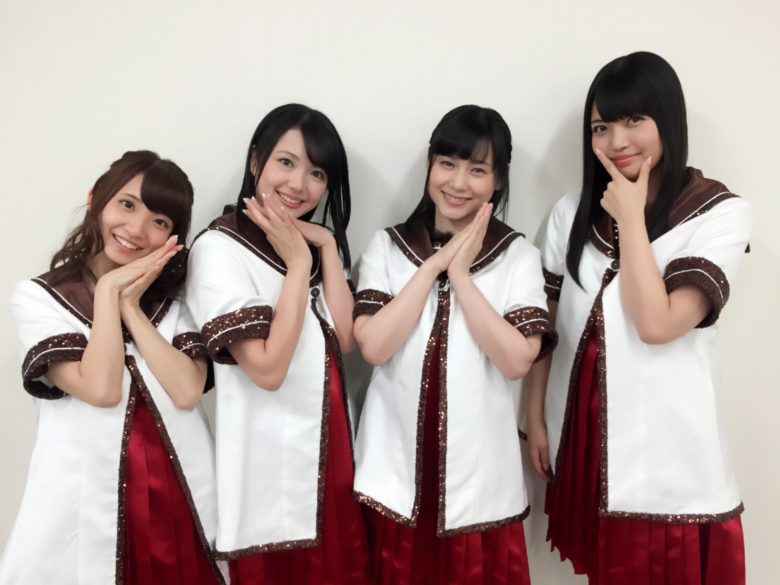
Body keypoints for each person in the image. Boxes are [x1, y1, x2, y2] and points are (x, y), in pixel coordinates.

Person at [526, 51, 750, 584]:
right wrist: (534, 418)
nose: (617, 141)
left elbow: (658, 325)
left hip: (669, 449)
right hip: (583, 438)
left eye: (634, 120)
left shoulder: (719, 212)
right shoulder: (570, 212)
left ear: (667, 121)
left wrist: (630, 216)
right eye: (601, 127)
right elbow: (547, 326)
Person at [352, 104, 556, 584]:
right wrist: (432, 267)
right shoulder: (387, 247)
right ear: (430, 164)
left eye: (478, 170)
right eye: (448, 163)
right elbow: (374, 347)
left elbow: (516, 360)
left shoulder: (518, 256)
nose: (458, 183)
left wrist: (461, 275)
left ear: (500, 179)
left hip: (480, 481)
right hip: (393, 471)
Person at [2, 151, 224, 585]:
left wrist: (131, 308)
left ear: (172, 237)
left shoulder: (178, 302)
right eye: (127, 204)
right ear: (96, 198)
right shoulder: (39, 297)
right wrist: (107, 291)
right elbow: (101, 389)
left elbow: (186, 391)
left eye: (159, 221)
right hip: (85, 503)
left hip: (177, 502)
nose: (137, 229)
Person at [185, 103, 371, 584]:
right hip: (269, 465)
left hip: (333, 455)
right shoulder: (218, 248)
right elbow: (267, 371)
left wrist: (324, 245)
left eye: (317, 173)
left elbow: (347, 337)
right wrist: (298, 267)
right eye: (285, 162)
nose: (298, 184)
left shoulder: (309, 244)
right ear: (256, 161)